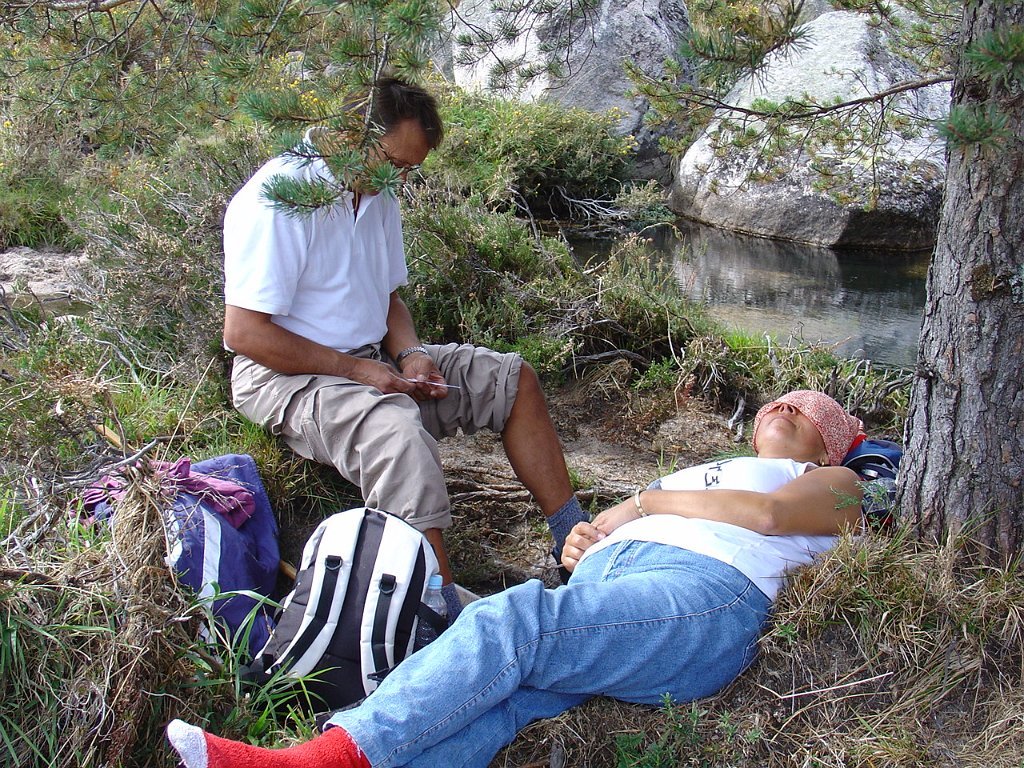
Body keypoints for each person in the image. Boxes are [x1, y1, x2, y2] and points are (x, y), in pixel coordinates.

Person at [166, 390, 869, 768]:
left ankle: (317, 761)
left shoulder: (833, 479)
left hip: (707, 593)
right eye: (779, 401)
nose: (786, 406)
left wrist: (648, 503)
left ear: (831, 443)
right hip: (624, 582)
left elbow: (770, 517)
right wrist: (589, 543)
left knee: (516, 621)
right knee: (505, 702)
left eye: (808, 409)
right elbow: (603, 532)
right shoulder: (704, 473)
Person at [221, 76, 587, 611]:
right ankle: (439, 609)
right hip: (283, 376)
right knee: (396, 431)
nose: (399, 180)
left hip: (368, 359)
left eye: (409, 170)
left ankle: (573, 542)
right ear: (350, 134)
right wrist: (358, 372)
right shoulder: (279, 197)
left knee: (511, 381)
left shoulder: (377, 191)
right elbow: (244, 333)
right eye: (394, 164)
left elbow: (388, 298)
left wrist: (411, 355)